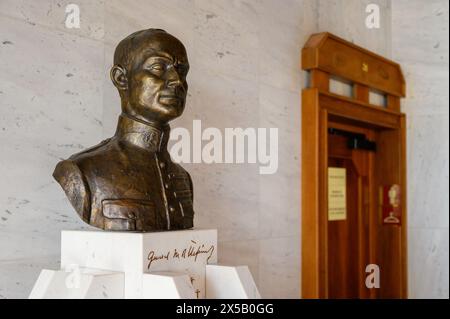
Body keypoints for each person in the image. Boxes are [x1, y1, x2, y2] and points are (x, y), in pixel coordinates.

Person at [53, 29, 194, 231]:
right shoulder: (82, 170)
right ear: (121, 78)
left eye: (182, 71)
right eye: (158, 67)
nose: (177, 81)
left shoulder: (182, 179)